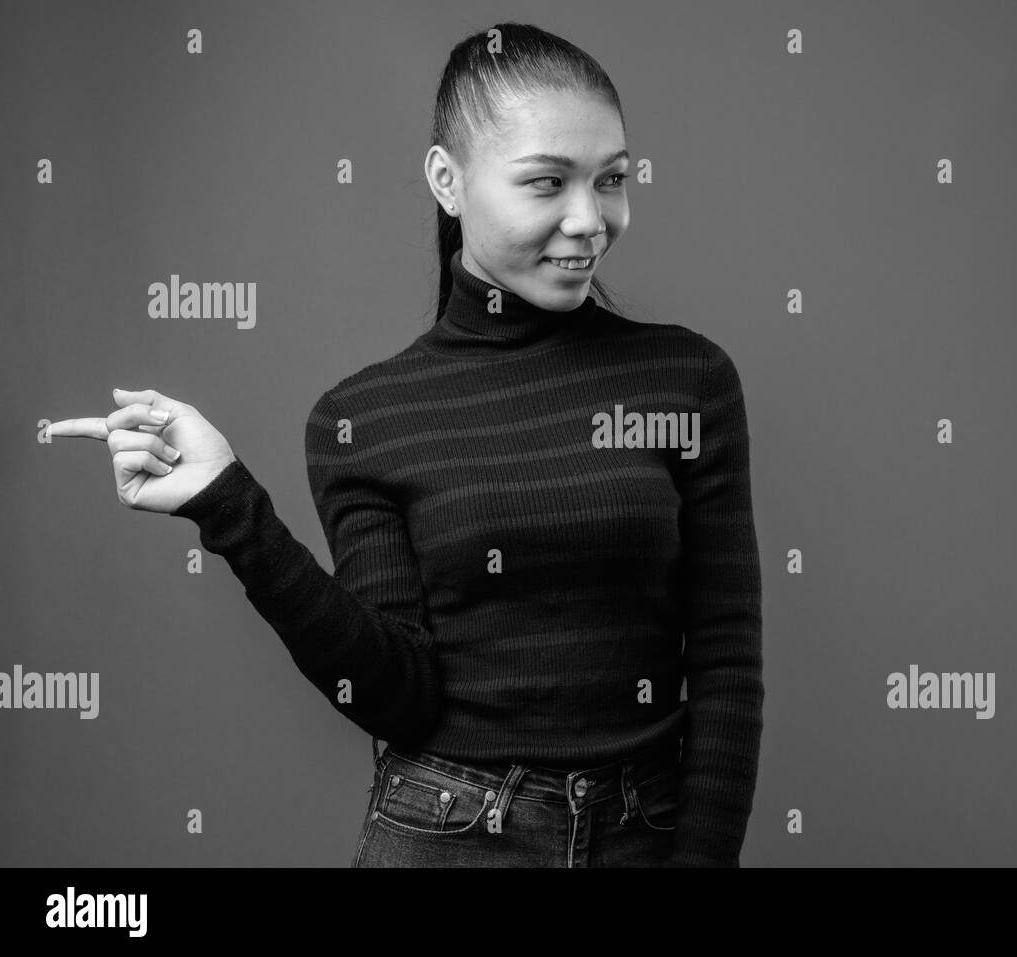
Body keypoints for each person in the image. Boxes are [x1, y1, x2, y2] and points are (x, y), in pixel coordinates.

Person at [48, 22, 763, 868]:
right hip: (450, 833)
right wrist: (230, 503)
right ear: (446, 181)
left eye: (612, 179)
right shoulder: (366, 417)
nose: (591, 219)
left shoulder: (687, 377)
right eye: (545, 182)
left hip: (644, 831)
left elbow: (725, 663)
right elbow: (400, 695)